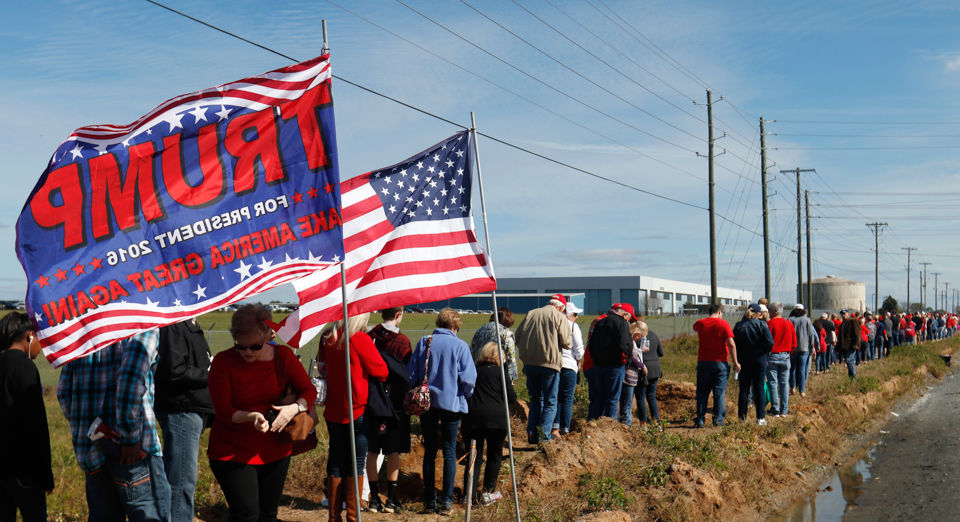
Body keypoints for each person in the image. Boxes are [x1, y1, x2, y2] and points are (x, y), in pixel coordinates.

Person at [207, 305, 317, 522]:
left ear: (269, 335)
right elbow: (223, 411)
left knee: (268, 515)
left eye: (255, 346)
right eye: (241, 346)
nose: (247, 352)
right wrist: (250, 417)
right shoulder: (223, 361)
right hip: (232, 450)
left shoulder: (283, 356)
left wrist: (293, 409)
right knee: (246, 514)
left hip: (275, 448)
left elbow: (308, 390)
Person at [58, 329, 171, 521]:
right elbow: (129, 381)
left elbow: (64, 392)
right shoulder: (142, 324)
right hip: (135, 454)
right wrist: (130, 437)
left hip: (93, 452)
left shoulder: (84, 329)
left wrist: (88, 431)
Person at [318, 312, 387, 522]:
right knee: (356, 463)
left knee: (336, 462)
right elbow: (381, 371)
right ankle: (352, 516)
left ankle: (333, 516)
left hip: (333, 409)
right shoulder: (359, 339)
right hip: (357, 409)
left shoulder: (328, 337)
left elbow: (322, 367)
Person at [408, 308, 476, 515]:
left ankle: (430, 501)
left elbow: (412, 374)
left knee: (429, 451)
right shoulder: (460, 346)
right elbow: (469, 380)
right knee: (449, 451)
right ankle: (446, 502)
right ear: (455, 327)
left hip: (427, 404)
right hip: (452, 405)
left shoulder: (424, 343)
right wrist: (463, 394)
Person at [154, 319, 214, 522]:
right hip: (181, 410)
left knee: (183, 479)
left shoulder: (189, 325)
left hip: (190, 409)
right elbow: (173, 369)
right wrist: (209, 373)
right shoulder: (175, 325)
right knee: (181, 481)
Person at [0, 313, 53, 522]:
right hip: (24, 471)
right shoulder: (25, 367)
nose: (42, 347)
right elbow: (35, 424)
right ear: (30, 336)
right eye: (41, 338)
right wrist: (45, 475)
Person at [365, 307, 412, 514]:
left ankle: (374, 499)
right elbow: (408, 374)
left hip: (373, 400)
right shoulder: (403, 342)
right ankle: (391, 501)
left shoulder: (369, 336)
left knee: (372, 451)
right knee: (394, 451)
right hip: (395, 403)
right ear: (399, 315)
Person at [462, 342, 516, 507]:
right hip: (497, 419)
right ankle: (487, 492)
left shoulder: (474, 371)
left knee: (474, 457)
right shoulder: (501, 373)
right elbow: (512, 398)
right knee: (494, 455)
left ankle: (468, 496)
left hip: (474, 418)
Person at [515, 295, 571, 443]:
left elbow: (518, 335)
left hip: (529, 364)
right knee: (550, 401)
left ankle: (532, 433)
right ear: (561, 308)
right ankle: (544, 436)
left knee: (535, 398)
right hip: (549, 364)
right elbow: (567, 342)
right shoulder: (559, 316)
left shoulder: (531, 313)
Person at [585, 304, 636, 421]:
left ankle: (592, 423)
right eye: (630, 318)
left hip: (598, 366)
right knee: (612, 398)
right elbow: (625, 344)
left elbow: (591, 344)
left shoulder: (600, 322)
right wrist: (627, 360)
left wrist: (596, 359)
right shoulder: (622, 323)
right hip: (615, 366)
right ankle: (610, 425)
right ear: (625, 314)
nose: (629, 321)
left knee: (599, 397)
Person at [692, 304, 740, 427]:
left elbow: (695, 328)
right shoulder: (724, 324)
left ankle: (701, 419)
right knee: (719, 392)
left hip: (703, 362)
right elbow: (732, 344)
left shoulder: (700, 323)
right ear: (719, 312)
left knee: (702, 392)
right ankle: (718, 420)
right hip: (720, 363)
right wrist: (735, 362)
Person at [733, 304, 774, 425]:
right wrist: (763, 352)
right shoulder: (762, 325)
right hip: (759, 360)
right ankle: (760, 418)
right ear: (757, 313)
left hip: (743, 360)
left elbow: (734, 343)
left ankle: (742, 418)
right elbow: (770, 342)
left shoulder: (738, 326)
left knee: (744, 389)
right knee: (759, 387)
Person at [556, 302, 585, 435]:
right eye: (575, 314)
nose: (576, 317)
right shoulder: (573, 326)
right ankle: (565, 428)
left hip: (555, 364)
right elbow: (578, 348)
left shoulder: (555, 324)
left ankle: (554, 427)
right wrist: (579, 358)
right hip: (569, 365)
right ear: (568, 314)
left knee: (555, 397)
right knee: (567, 399)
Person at [470, 308, 518, 384]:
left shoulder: (479, 330)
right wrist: (511, 378)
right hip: (498, 374)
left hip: (479, 373)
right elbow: (510, 357)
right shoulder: (507, 334)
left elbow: (472, 351)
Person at [765, 303, 796, 417]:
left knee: (773, 382)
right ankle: (784, 410)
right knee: (784, 383)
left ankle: (775, 408)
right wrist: (788, 352)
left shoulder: (769, 324)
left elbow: (766, 342)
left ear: (774, 311)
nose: (768, 312)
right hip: (785, 355)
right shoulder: (789, 324)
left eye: (769, 311)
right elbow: (794, 342)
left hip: (772, 355)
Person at [617, 322, 647, 426]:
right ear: (637, 333)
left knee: (626, 403)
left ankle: (623, 423)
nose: (640, 338)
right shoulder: (629, 341)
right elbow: (632, 357)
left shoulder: (631, 341)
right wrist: (642, 365)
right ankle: (626, 424)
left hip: (630, 376)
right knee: (627, 403)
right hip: (628, 377)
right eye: (641, 336)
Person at [636, 325, 664, 425]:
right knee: (651, 395)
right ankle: (655, 420)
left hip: (643, 369)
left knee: (641, 397)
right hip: (655, 368)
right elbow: (661, 353)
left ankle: (643, 422)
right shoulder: (654, 335)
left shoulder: (636, 337)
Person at [788, 305, 817, 397]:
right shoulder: (807, 320)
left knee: (792, 368)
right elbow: (811, 334)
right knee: (802, 369)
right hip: (804, 348)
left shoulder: (790, 319)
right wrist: (812, 347)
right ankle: (802, 390)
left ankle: (792, 387)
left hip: (793, 348)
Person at [838, 310, 862, 379]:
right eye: (842, 314)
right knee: (848, 361)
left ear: (848, 314)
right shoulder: (842, 324)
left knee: (849, 360)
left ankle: (854, 378)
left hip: (851, 345)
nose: (843, 315)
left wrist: (857, 344)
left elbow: (857, 333)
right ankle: (851, 377)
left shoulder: (852, 321)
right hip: (845, 346)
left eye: (844, 313)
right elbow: (840, 336)